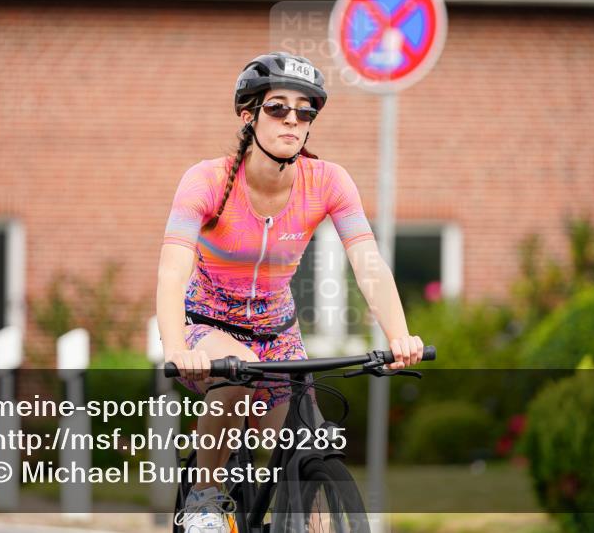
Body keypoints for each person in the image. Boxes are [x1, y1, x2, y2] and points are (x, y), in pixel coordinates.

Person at [157, 51, 424, 533]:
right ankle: (204, 499)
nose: (292, 121)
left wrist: (399, 335)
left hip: (278, 334)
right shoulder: (207, 180)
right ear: (249, 115)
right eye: (278, 108)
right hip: (206, 325)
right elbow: (172, 270)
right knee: (235, 374)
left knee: (309, 446)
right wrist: (177, 348)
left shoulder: (328, 182)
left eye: (305, 112)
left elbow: (367, 261)